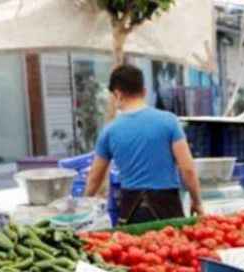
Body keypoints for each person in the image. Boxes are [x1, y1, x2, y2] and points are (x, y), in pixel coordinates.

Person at [84, 64, 203, 224]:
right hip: (168, 209)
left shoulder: (109, 131)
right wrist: (197, 202)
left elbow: (94, 180)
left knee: (135, 248)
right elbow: (187, 169)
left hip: (131, 212)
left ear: (117, 94)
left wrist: (83, 208)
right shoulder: (169, 121)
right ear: (144, 91)